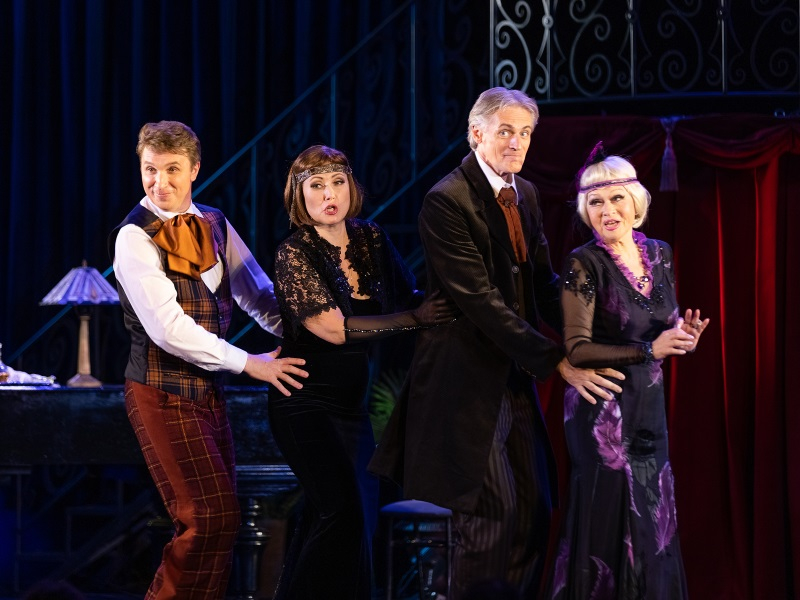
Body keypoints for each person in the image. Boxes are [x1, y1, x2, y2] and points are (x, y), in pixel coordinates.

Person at [369, 87, 624, 599]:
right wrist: (559, 362)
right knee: (492, 517)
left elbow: (543, 284)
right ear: (476, 133)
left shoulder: (524, 193)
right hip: (464, 382)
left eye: (525, 133)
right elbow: (481, 302)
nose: (516, 142)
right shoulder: (447, 199)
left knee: (534, 511)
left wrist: (599, 334)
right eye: (505, 131)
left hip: (512, 375)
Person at [108, 120, 309, 600]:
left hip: (206, 392)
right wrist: (253, 364)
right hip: (160, 390)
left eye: (172, 169)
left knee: (223, 520)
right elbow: (169, 329)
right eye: (150, 169)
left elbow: (257, 293)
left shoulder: (215, 223)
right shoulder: (134, 237)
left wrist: (309, 335)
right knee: (205, 518)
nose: (159, 182)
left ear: (195, 169)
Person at [268, 145, 457, 600]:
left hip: (351, 409)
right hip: (303, 402)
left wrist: (456, 302)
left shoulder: (371, 238)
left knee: (351, 522)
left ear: (351, 187)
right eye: (317, 185)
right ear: (299, 196)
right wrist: (415, 319)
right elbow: (334, 330)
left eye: (337, 182)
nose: (329, 194)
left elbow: (410, 297)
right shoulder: (294, 252)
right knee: (341, 512)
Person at [546, 143, 709, 599]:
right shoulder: (584, 263)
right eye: (595, 201)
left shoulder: (660, 254)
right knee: (608, 526)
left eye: (616, 198)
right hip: (604, 414)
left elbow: (658, 328)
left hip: (649, 412)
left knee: (654, 528)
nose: (607, 210)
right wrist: (650, 349)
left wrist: (682, 337)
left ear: (635, 202)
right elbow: (577, 349)